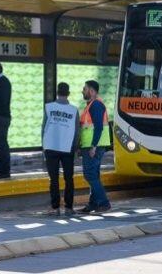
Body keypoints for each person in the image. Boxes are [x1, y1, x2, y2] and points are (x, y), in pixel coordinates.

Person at [42, 82, 80, 216]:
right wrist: (76, 147)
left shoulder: (49, 107)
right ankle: (69, 208)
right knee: (69, 178)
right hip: (67, 147)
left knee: (54, 179)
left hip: (51, 146)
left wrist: (43, 147)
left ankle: (55, 208)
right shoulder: (74, 110)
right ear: (68, 94)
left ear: (57, 93)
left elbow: (43, 128)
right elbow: (76, 131)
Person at [79, 80, 111, 213]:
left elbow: (98, 127)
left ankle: (103, 202)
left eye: (85, 89)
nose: (83, 91)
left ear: (91, 91)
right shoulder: (91, 104)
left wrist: (93, 146)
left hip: (94, 147)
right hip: (92, 145)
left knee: (89, 174)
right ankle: (93, 203)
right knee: (94, 175)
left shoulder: (96, 105)